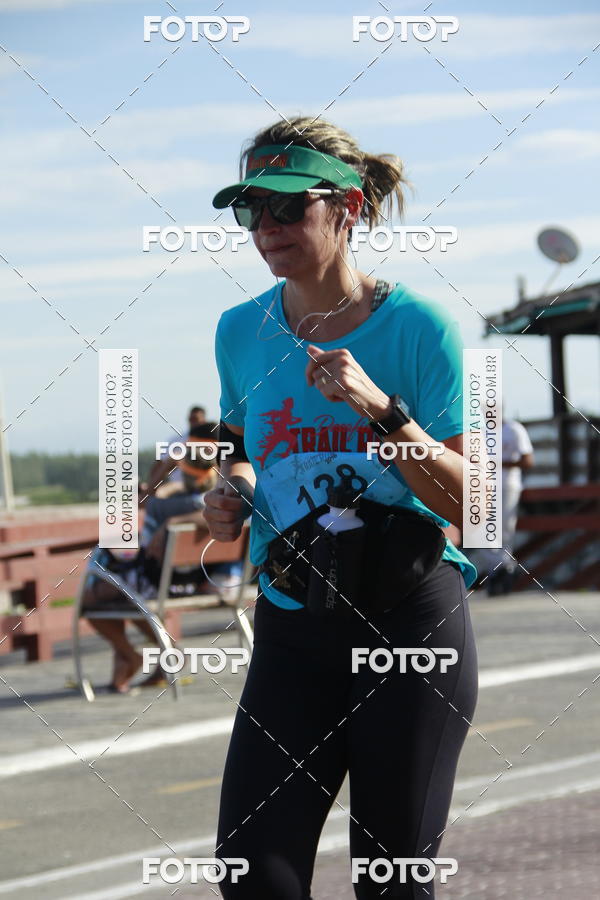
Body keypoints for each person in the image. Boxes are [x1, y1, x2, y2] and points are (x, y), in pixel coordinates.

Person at [203, 117, 479, 899]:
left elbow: (472, 502)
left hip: (407, 623)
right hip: (292, 620)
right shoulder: (238, 332)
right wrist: (228, 493)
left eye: (288, 208)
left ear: (348, 208)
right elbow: (240, 450)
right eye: (251, 208)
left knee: (391, 883)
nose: (267, 227)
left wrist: (378, 409)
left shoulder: (421, 328)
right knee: (255, 874)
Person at [82, 423, 242, 693]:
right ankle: (164, 651)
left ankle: (133, 655)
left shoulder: (165, 505)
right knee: (126, 595)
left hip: (162, 583)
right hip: (196, 581)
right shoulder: (224, 502)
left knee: (91, 599)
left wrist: (162, 475)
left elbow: (148, 502)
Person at [481, 417, 534, 596]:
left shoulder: (513, 429)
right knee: (484, 530)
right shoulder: (480, 429)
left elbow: (527, 461)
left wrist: (498, 463)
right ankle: (500, 570)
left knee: (504, 530)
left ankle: (502, 572)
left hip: (507, 485)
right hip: (483, 486)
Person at [141, 405, 206, 498]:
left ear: (203, 421)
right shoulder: (175, 440)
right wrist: (150, 487)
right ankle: (146, 497)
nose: (193, 422)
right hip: (177, 488)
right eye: (191, 419)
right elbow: (158, 466)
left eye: (196, 419)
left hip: (201, 489)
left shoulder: (211, 441)